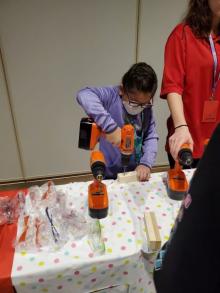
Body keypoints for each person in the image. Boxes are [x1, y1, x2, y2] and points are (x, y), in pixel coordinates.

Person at [161, 0, 220, 168]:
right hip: (187, 138)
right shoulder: (182, 35)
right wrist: (180, 127)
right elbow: (173, 86)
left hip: (215, 138)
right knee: (187, 193)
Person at [76, 62, 158, 181]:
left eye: (144, 103)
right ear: (122, 90)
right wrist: (111, 128)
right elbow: (83, 94)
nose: (139, 107)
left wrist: (146, 163)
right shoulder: (112, 96)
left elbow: (151, 136)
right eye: (134, 102)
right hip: (108, 172)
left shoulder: (147, 109)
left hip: (135, 173)